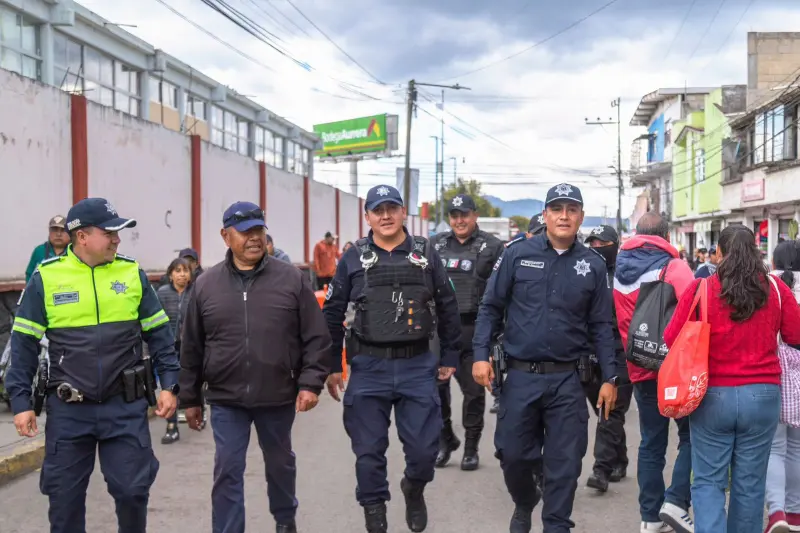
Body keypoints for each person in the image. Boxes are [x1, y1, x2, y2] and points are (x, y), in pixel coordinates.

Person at [6, 197, 180, 533]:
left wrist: (169, 385)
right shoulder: (47, 278)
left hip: (124, 407)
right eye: (110, 232)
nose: (117, 239)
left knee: (132, 491)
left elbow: (160, 334)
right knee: (64, 503)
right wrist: (20, 402)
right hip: (69, 412)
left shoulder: (131, 273)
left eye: (118, 232)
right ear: (82, 236)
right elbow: (23, 343)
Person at [473, 183, 618, 533]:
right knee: (512, 454)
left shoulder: (592, 265)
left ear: (581, 217)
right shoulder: (517, 254)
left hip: (568, 380)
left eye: (571, 209)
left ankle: (556, 524)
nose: (564, 216)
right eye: (557, 209)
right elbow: (490, 307)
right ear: (546, 214)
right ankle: (525, 500)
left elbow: (603, 326)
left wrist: (610, 379)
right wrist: (480, 355)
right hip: (520, 377)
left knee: (565, 464)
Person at [178, 201, 331, 533]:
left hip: (277, 394)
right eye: (245, 232)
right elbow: (191, 346)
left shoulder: (291, 279)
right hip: (226, 398)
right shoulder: (206, 285)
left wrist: (310, 383)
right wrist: (189, 399)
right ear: (225, 236)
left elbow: (316, 336)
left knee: (280, 464)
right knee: (228, 469)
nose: (254, 238)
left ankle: (284, 518)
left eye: (258, 231)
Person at [322, 184, 462, 533]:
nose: (385, 215)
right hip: (368, 368)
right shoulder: (353, 256)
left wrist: (449, 354)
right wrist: (329, 367)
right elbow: (332, 313)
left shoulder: (425, 252)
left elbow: (447, 304)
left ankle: (414, 489)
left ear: (403, 212)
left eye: (392, 208)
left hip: (417, 366)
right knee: (368, 453)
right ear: (367, 216)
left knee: (424, 452)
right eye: (377, 209)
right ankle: (374, 512)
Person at [664, 225, 800, 533]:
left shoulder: (701, 289)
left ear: (719, 255)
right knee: (749, 483)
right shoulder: (777, 290)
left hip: (712, 396)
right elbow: (795, 334)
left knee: (709, 481)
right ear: (755, 252)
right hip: (763, 396)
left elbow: (672, 336)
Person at [613, 212, 696, 533]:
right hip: (673, 368)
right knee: (691, 437)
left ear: (637, 233)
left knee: (651, 442)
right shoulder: (675, 267)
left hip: (639, 368)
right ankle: (676, 502)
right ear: (666, 235)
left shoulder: (618, 268)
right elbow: (695, 309)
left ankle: (649, 517)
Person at [431, 194, 504, 471]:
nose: (459, 220)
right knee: (435, 392)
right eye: (454, 215)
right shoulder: (435, 245)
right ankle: (445, 439)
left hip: (475, 329)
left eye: (464, 214)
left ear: (475, 216)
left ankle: (471, 448)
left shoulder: (493, 246)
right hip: (440, 330)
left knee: (474, 392)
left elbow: (503, 291)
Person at [583, 225, 633, 493]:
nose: (597, 249)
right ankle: (619, 459)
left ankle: (601, 469)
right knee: (604, 411)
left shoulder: (628, 276)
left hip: (619, 351)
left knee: (609, 412)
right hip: (588, 350)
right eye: (592, 244)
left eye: (602, 244)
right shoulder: (583, 272)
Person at [765, 240, 800, 533]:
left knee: (775, 448)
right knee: (798, 448)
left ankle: (777, 514)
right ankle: (796, 513)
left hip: (774, 370)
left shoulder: (768, 285)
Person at [157, 257, 203, 444]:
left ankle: (199, 409)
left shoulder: (196, 292)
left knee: (193, 380)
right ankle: (172, 426)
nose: (182, 274)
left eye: (185, 270)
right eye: (177, 270)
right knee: (170, 386)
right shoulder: (162, 293)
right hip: (169, 347)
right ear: (170, 275)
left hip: (190, 346)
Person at [25, 215, 69, 282]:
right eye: (54, 230)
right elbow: (29, 275)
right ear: (49, 232)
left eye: (63, 230)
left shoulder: (74, 251)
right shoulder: (39, 251)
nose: (58, 234)